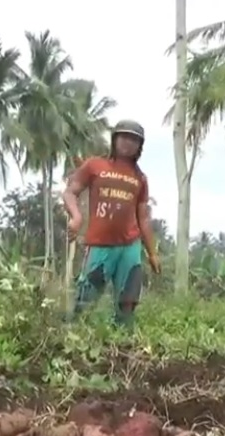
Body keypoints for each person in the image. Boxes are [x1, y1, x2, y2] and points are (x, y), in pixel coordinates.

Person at [62, 119, 161, 327]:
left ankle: (124, 342)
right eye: (124, 137)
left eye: (134, 140)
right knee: (86, 297)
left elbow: (143, 217)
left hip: (130, 246)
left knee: (128, 300)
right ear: (115, 139)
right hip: (100, 244)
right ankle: (74, 337)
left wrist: (152, 253)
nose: (128, 143)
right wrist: (76, 217)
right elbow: (71, 192)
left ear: (140, 146)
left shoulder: (140, 178)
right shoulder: (95, 166)